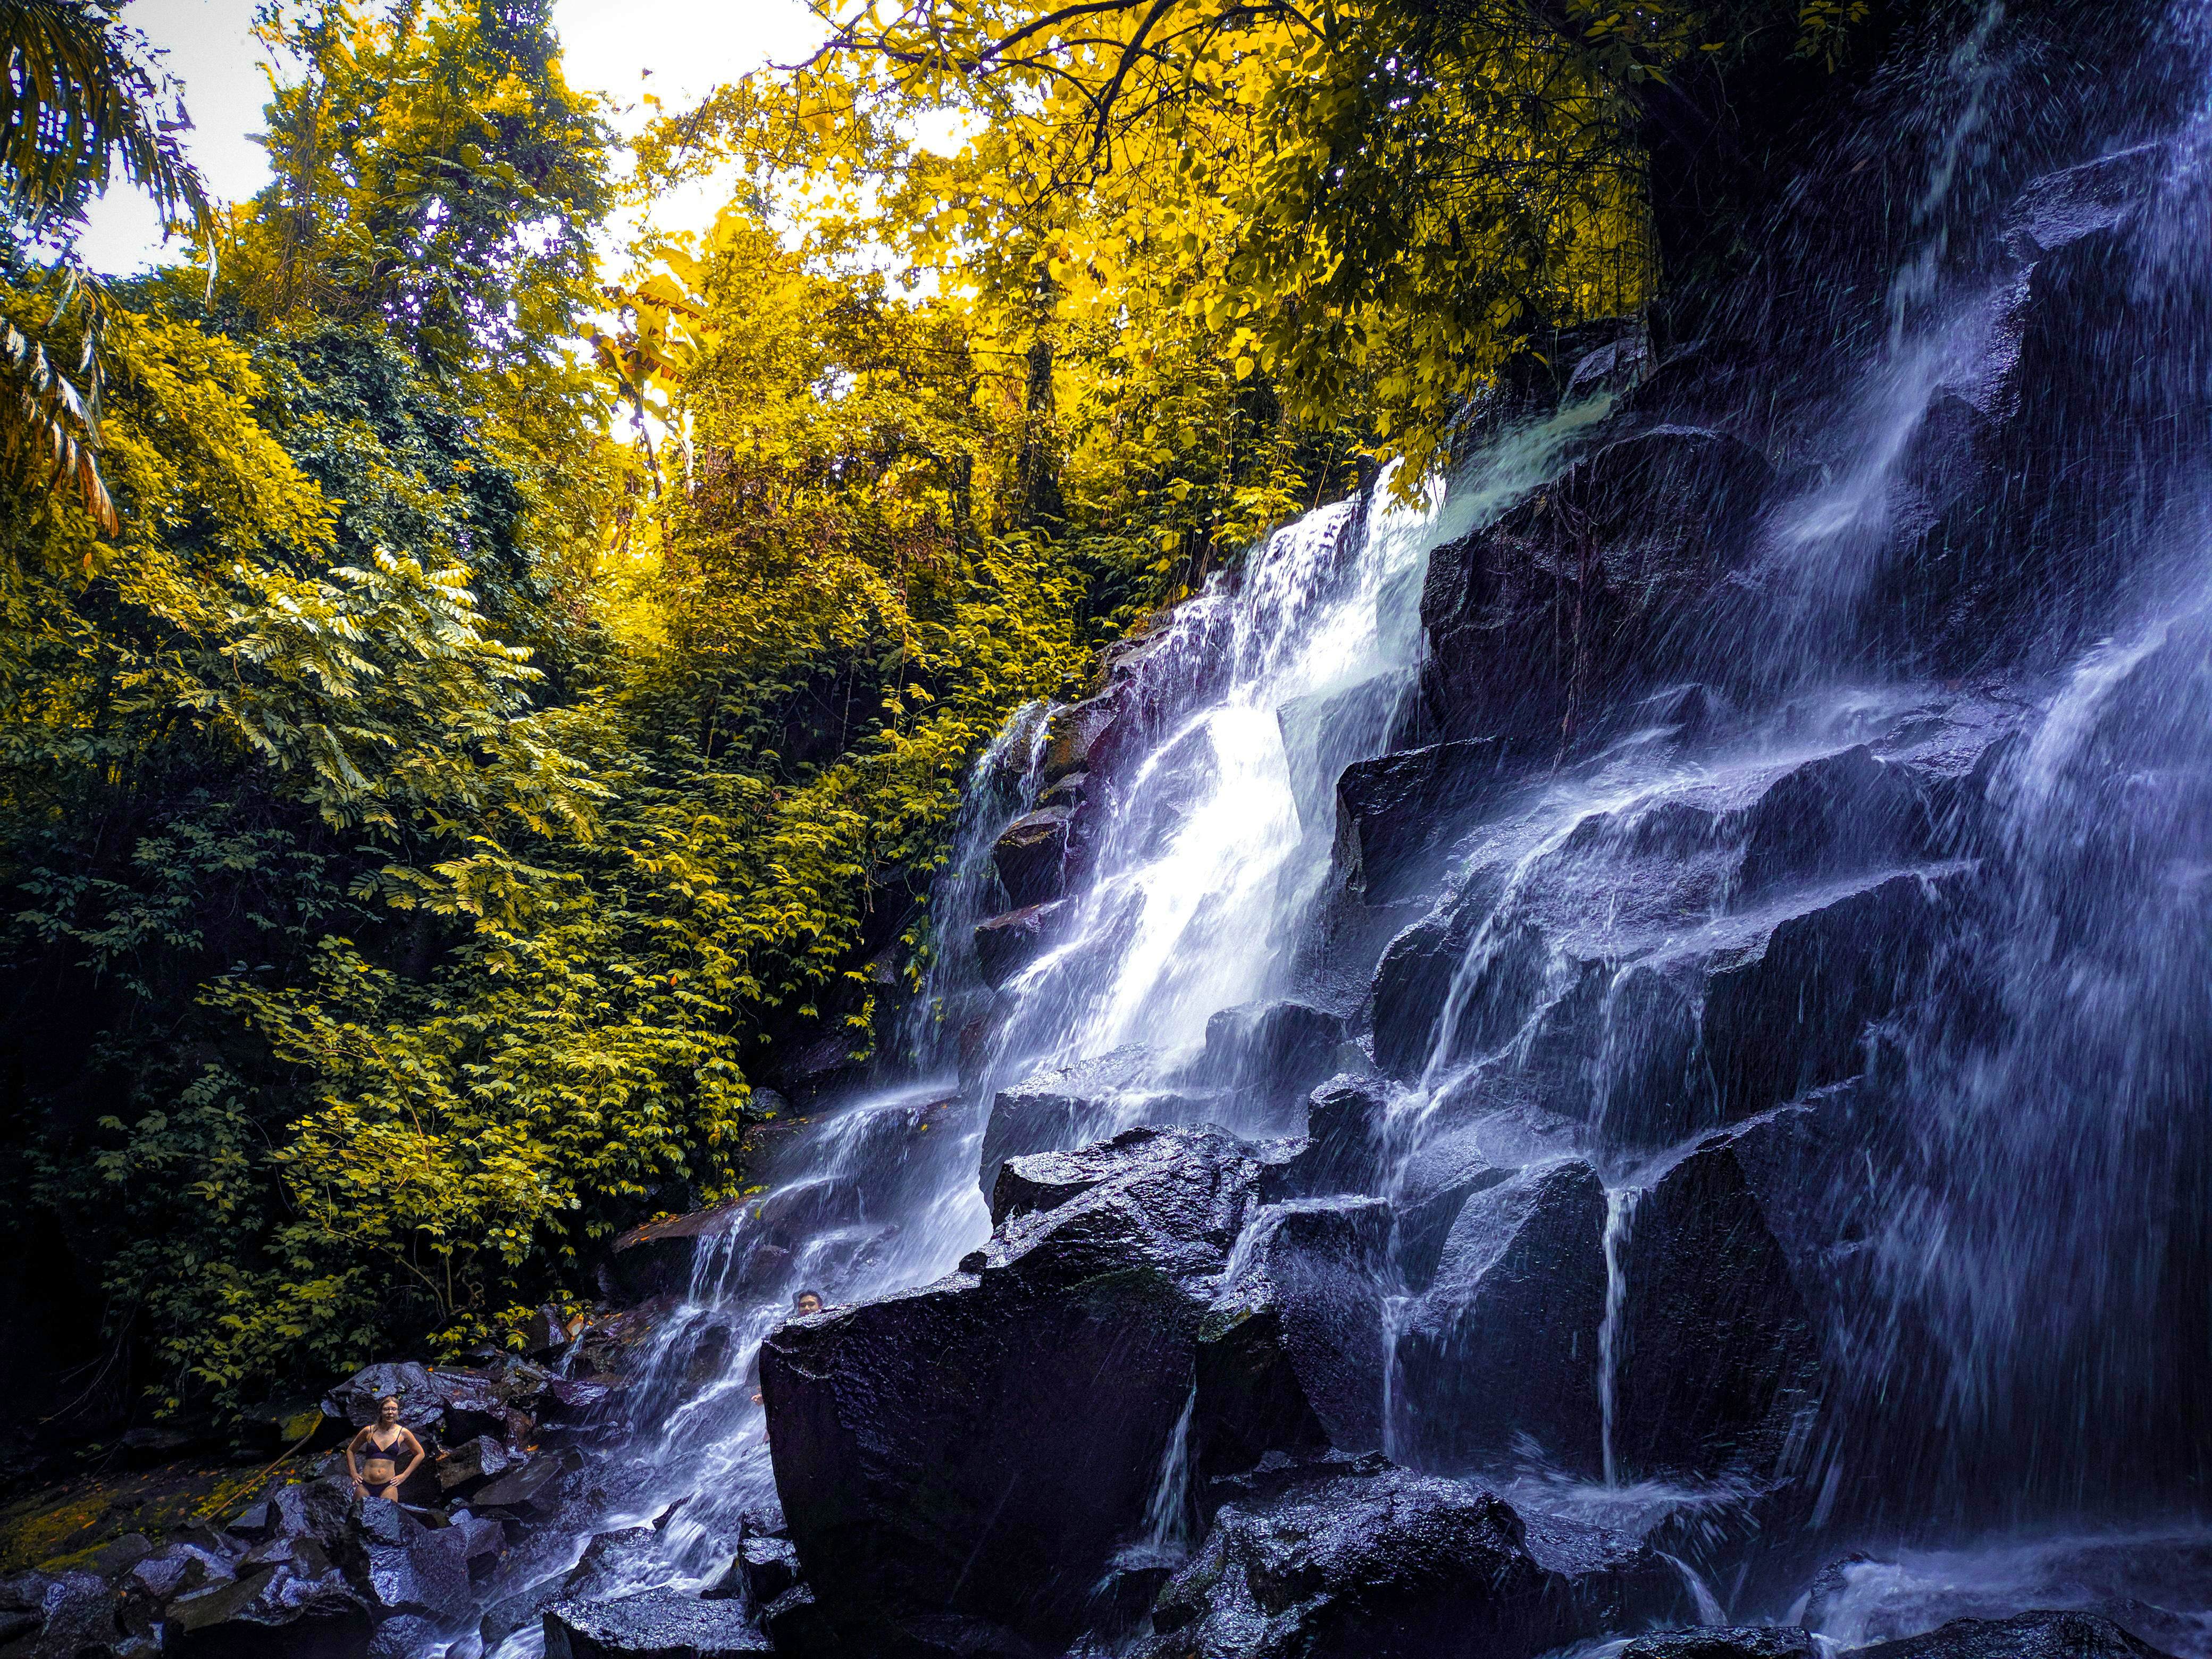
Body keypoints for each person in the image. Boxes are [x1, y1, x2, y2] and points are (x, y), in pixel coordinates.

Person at [749, 1289, 828, 1402]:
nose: (806, 1308)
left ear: (820, 1307)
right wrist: (768, 1393)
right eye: (803, 1305)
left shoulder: (829, 1328)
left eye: (811, 1304)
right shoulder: (793, 1333)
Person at [347, 1395, 426, 1500]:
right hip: (365, 1485)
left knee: (389, 1515)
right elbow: (350, 1450)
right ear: (381, 1411)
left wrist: (404, 1475)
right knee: (359, 1515)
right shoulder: (369, 1430)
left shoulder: (403, 1433)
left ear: (398, 1412)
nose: (390, 1412)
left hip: (388, 1486)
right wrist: (354, 1473)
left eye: (394, 1409)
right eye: (386, 1409)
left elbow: (420, 1454)